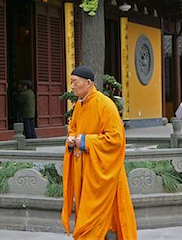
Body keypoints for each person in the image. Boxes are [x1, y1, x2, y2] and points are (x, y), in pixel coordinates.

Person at [61, 65, 137, 240]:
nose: (72, 87)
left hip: (104, 173)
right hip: (86, 171)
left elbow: (116, 139)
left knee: (108, 219)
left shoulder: (105, 105)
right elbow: (73, 128)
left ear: (88, 83)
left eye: (75, 83)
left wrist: (84, 141)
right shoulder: (80, 106)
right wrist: (72, 139)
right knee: (86, 212)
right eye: (71, 83)